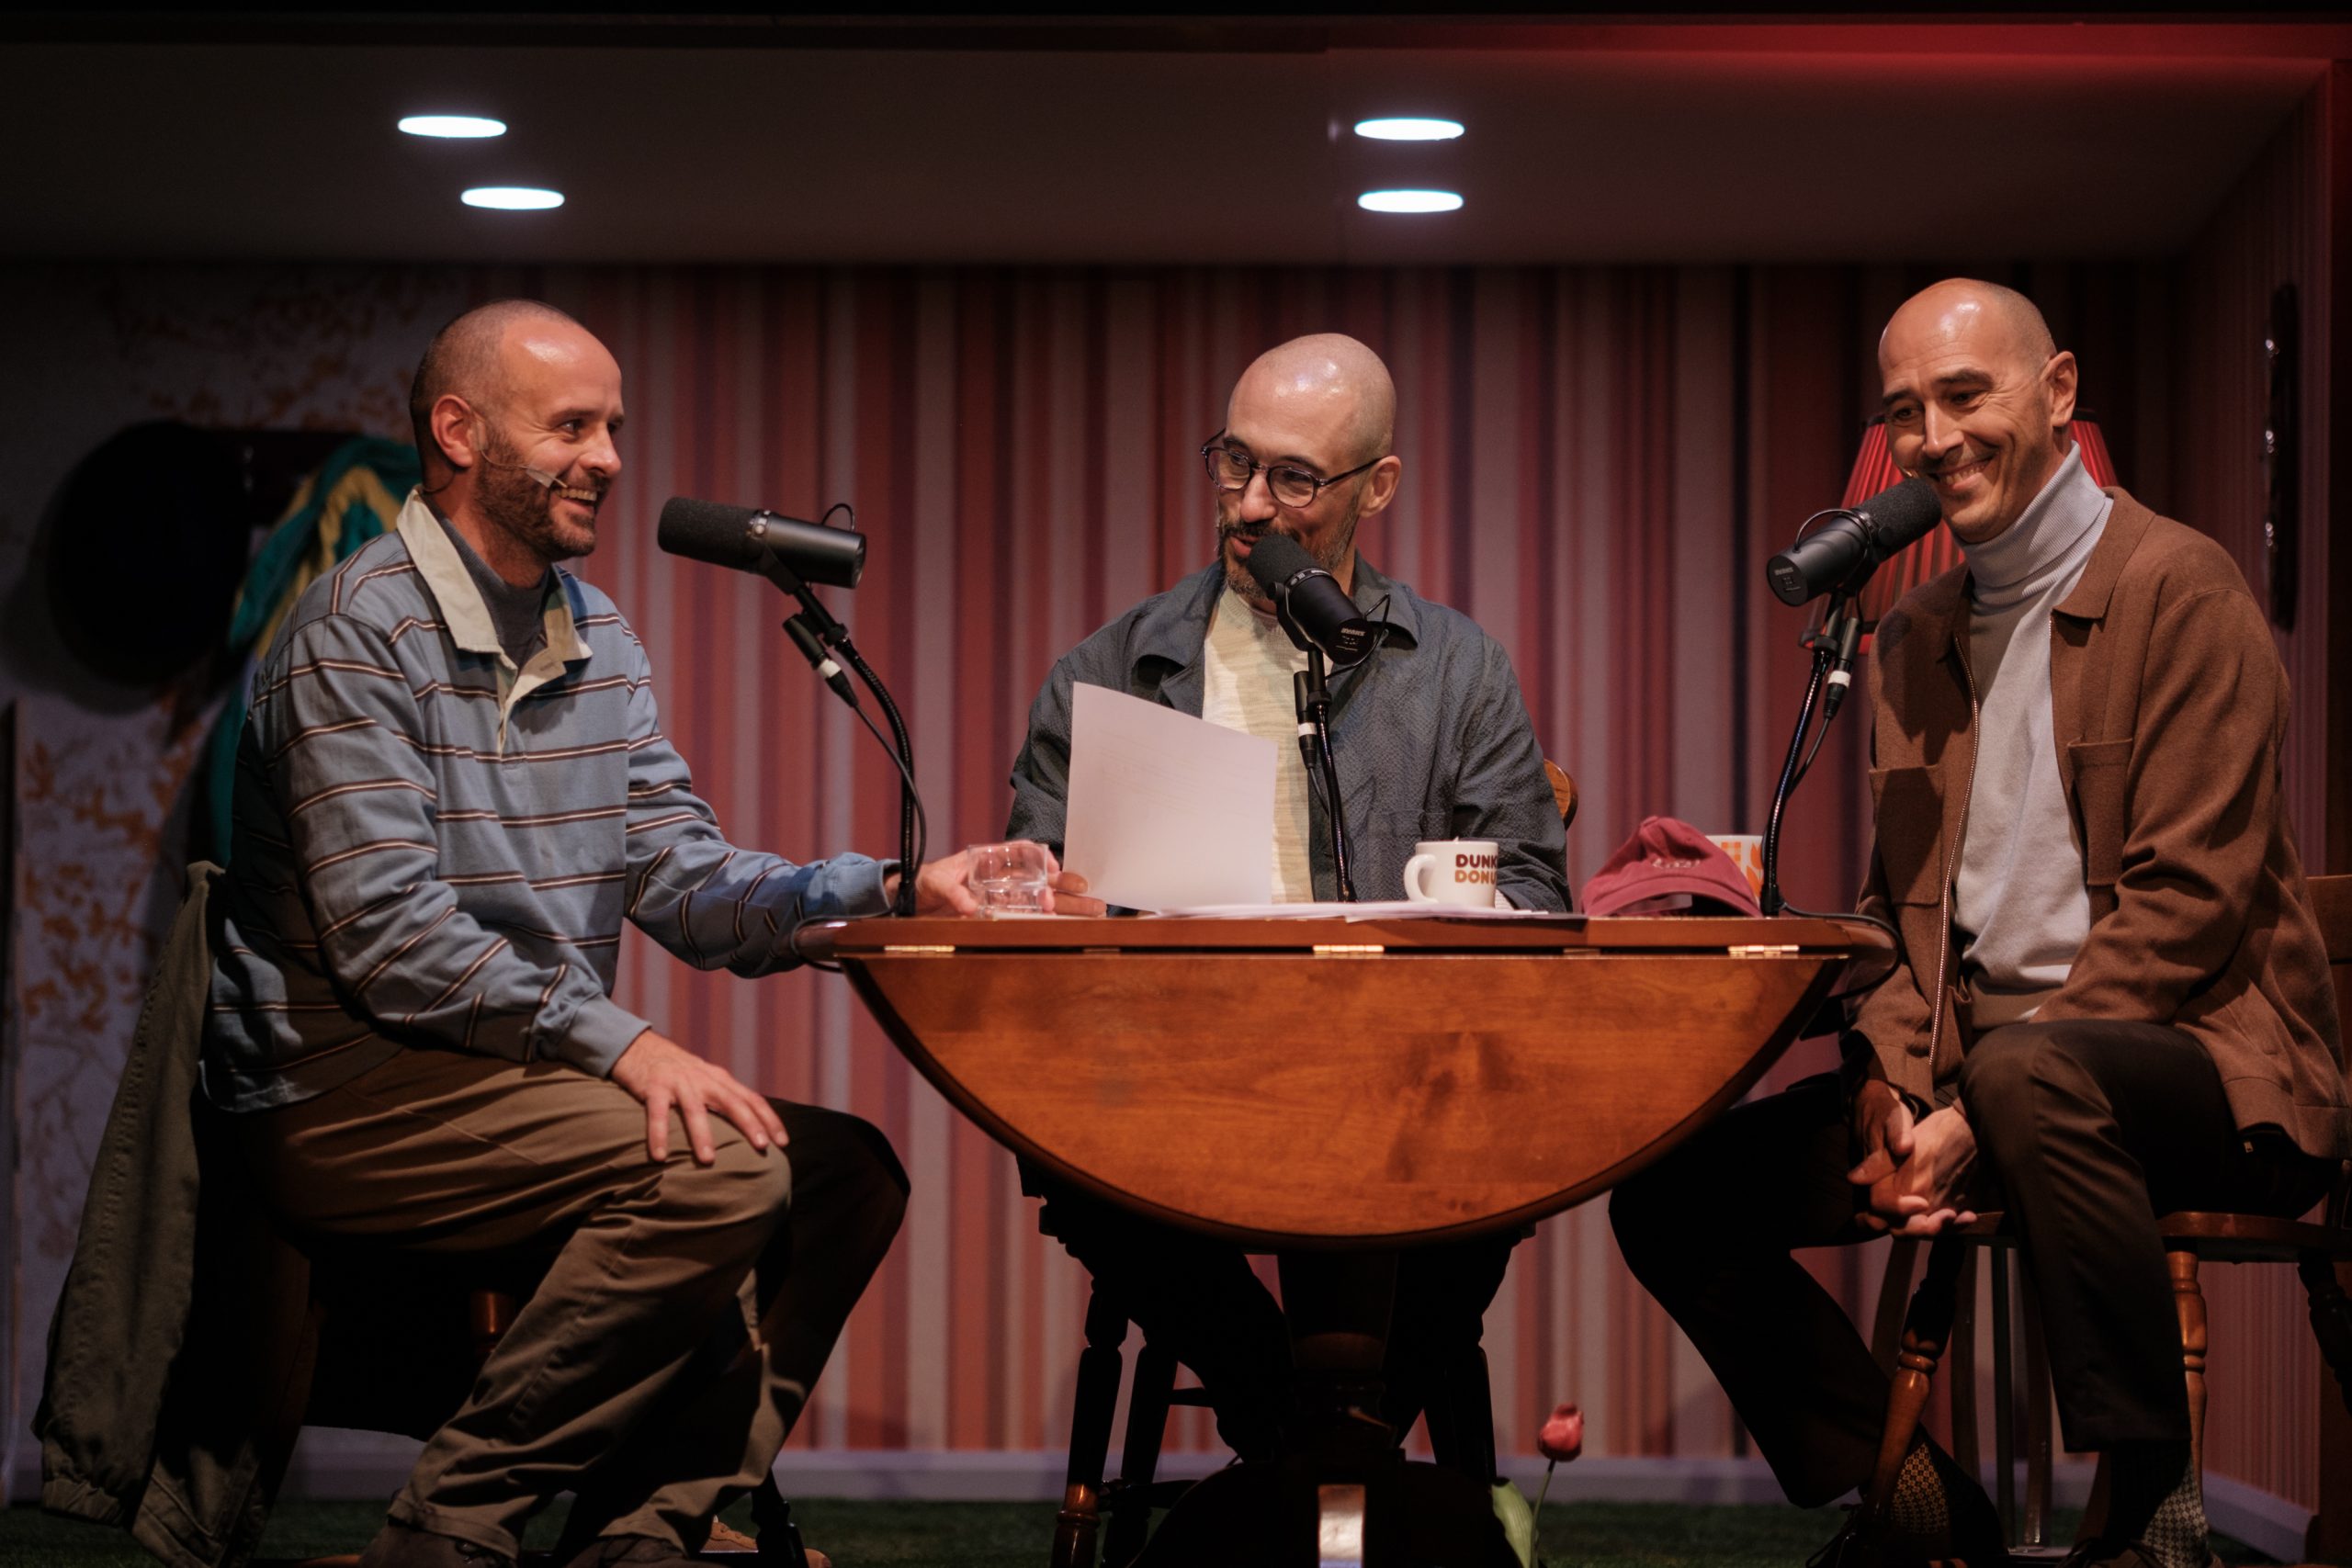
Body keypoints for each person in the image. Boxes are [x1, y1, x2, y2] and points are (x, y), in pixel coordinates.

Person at [205, 299, 1035, 1568]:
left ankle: (644, 1533)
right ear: (459, 432)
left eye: (614, 428)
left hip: (517, 1072)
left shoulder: (595, 635)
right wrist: (625, 1046)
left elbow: (681, 880)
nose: (607, 457)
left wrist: (890, 888)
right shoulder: (354, 633)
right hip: (351, 1087)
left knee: (842, 1170)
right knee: (719, 1168)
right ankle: (447, 1529)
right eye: (573, 426)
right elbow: (391, 937)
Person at [1610, 279, 2346, 1568]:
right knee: (1671, 1190)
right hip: (1984, 1080)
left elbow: (2187, 903)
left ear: (2057, 393)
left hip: (2204, 1080)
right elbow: (1905, 917)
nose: (1932, 437)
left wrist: (1975, 1107)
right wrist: (1896, 1090)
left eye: (1964, 394)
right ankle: (1914, 1503)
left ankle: (2148, 1501)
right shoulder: (1913, 634)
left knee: (2026, 1072)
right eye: (1904, 410)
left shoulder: (2183, 588)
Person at [1006, 333, 1571, 1464]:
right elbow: (1029, 893)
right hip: (1173, 1073)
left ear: (1377, 486)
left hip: (1398, 1074)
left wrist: (1442, 908)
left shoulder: (1457, 669)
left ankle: (1303, 1462)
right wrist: (1057, 903)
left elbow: (1531, 886)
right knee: (1078, 1160)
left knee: (1498, 1164)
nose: (1251, 506)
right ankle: (1315, 1445)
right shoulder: (1108, 673)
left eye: (1296, 478)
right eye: (1234, 462)